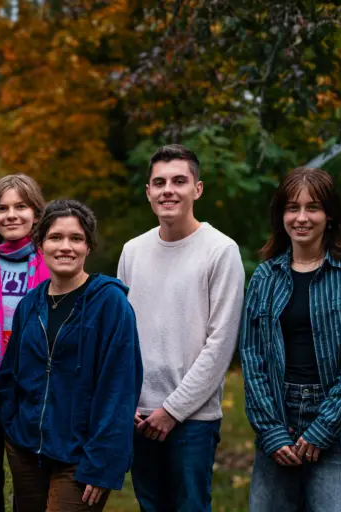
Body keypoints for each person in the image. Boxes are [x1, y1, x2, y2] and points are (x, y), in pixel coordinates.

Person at [240, 167, 341, 512]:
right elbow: (251, 356)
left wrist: (323, 429)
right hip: (279, 418)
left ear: (330, 214)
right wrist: (270, 430)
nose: (301, 217)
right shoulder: (265, 276)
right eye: (292, 208)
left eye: (313, 207)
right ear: (281, 215)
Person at [117, 144, 245, 511]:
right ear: (148, 192)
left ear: (197, 189)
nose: (167, 190)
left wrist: (172, 411)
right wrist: (128, 403)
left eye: (179, 181)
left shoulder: (220, 250)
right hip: (139, 416)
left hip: (192, 420)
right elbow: (123, 338)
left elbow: (221, 344)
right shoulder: (133, 251)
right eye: (159, 182)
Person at [0, 200, 142, 512]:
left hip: (81, 456)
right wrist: (13, 425)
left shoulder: (110, 304)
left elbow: (120, 389)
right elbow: (10, 373)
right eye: (55, 237)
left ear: (89, 246)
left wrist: (103, 461)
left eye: (76, 238)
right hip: (27, 452)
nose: (66, 247)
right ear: (41, 244)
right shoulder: (30, 304)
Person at [0, 174, 49, 512]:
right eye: (2, 208)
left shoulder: (56, 266)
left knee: (32, 489)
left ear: (36, 212)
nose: (11, 215)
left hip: (36, 395)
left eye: (21, 206)